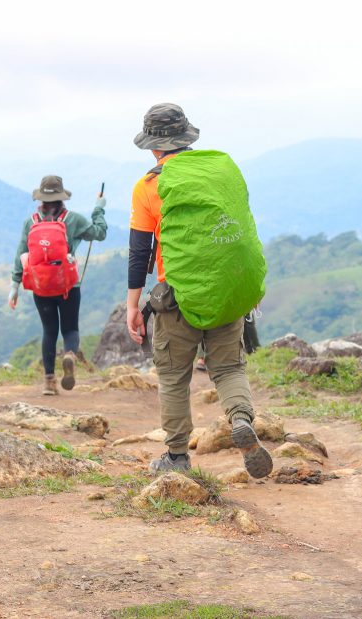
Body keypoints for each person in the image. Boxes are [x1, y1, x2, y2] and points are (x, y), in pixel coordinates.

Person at [125, 103, 273, 478]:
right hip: (227, 290)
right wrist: (250, 285)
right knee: (228, 367)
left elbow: (141, 251)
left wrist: (132, 305)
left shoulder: (149, 186)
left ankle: (176, 456)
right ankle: (240, 419)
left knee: (174, 374)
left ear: (154, 147)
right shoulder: (221, 171)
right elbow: (242, 229)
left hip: (177, 298)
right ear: (187, 138)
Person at [9, 175, 107, 394]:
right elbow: (99, 233)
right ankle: (70, 355)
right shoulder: (73, 220)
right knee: (70, 328)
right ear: (62, 198)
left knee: (49, 331)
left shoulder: (31, 222)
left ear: (41, 198)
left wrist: (14, 286)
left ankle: (49, 383)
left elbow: (20, 253)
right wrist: (99, 208)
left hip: (41, 286)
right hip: (68, 285)